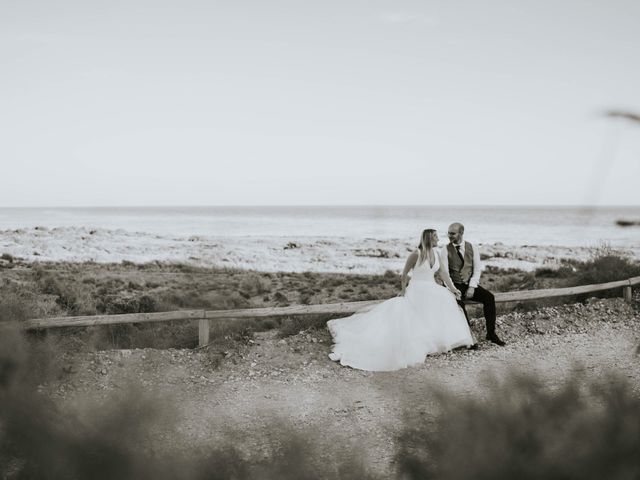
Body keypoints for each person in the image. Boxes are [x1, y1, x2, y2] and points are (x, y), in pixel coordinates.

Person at [327, 229, 476, 372]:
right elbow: (404, 274)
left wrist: (452, 289)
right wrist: (404, 290)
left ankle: (439, 342)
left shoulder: (437, 254)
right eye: (436, 236)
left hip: (432, 287)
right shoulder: (416, 254)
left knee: (446, 301)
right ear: (429, 238)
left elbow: (444, 275)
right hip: (417, 289)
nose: (438, 238)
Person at [441, 222, 506, 346]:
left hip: (469, 284)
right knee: (460, 305)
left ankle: (491, 334)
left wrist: (472, 287)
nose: (449, 236)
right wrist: (453, 289)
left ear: (461, 233)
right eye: (448, 233)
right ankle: (469, 338)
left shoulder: (472, 247)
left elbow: (477, 270)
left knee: (489, 298)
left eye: (453, 233)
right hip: (453, 285)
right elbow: (445, 274)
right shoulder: (444, 250)